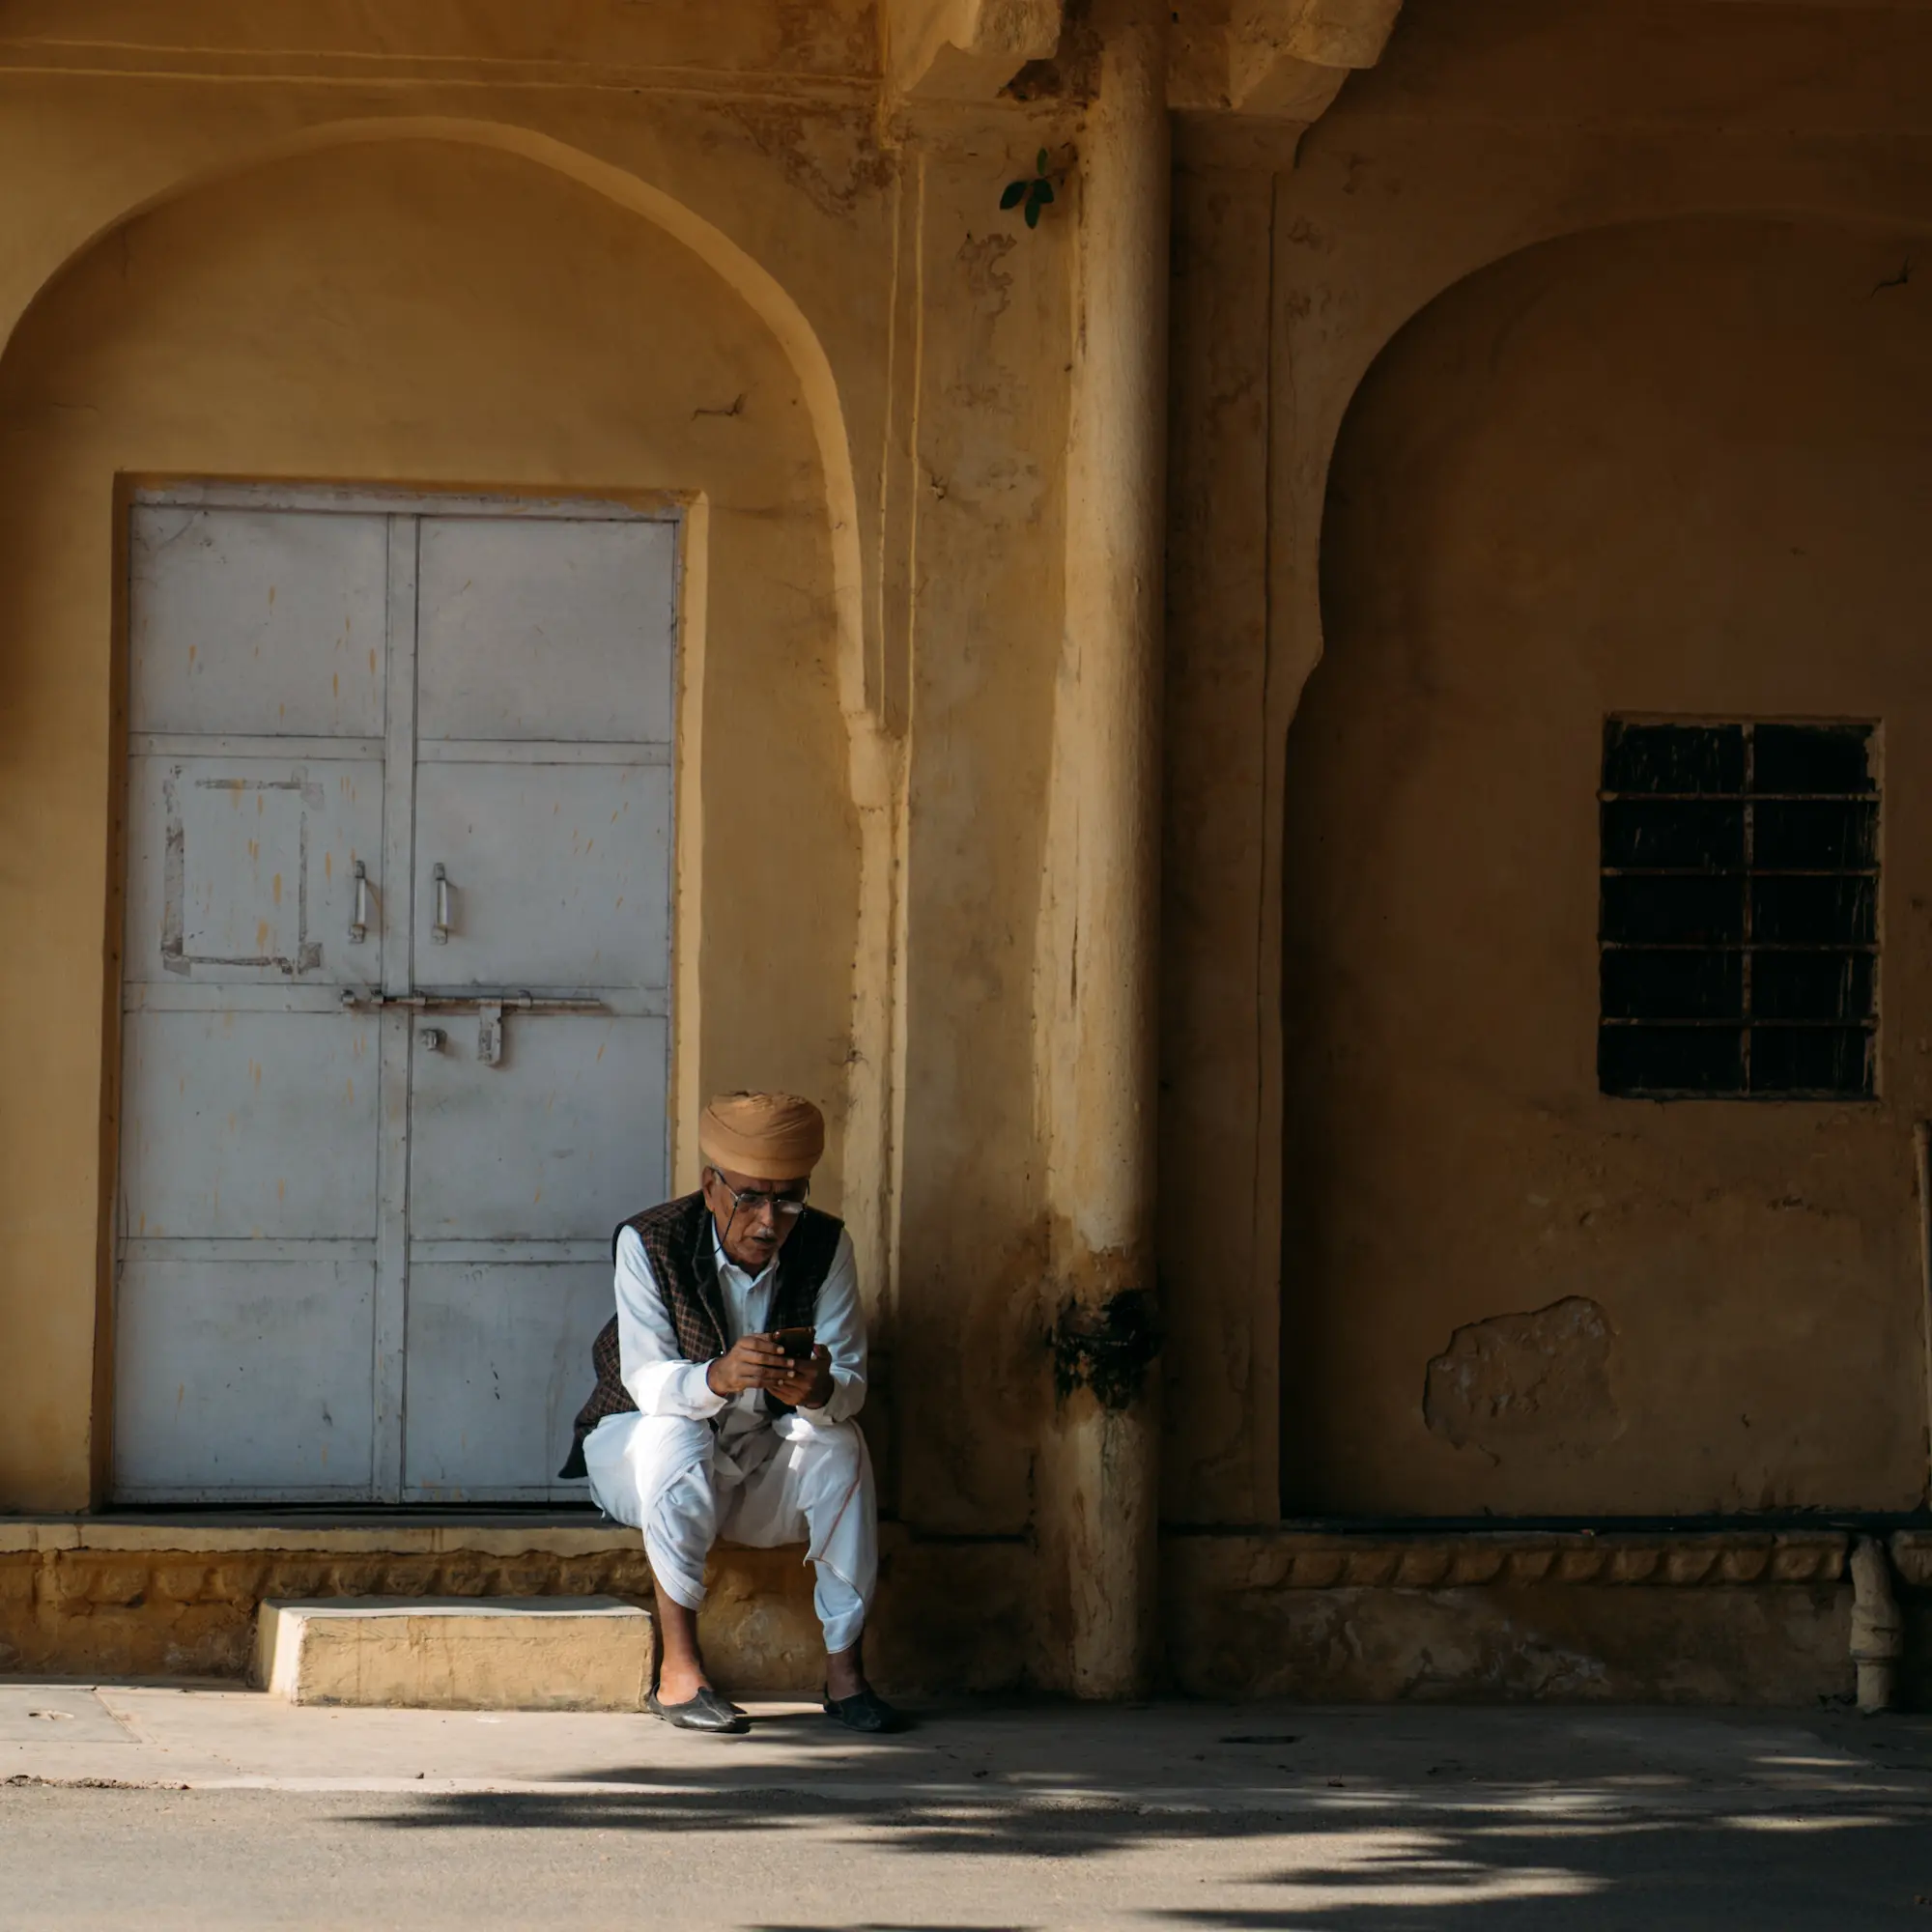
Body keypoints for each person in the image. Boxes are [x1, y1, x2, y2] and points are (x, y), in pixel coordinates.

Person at [559, 1090, 903, 1736]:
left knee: (842, 1443)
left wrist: (818, 1391)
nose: (770, 1221)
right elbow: (647, 1381)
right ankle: (680, 1672)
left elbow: (850, 1383)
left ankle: (845, 1676)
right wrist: (716, 1377)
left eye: (788, 1199)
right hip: (639, 1455)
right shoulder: (650, 1241)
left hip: (751, 1467)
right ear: (711, 1186)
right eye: (750, 1197)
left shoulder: (826, 1245)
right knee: (676, 1435)